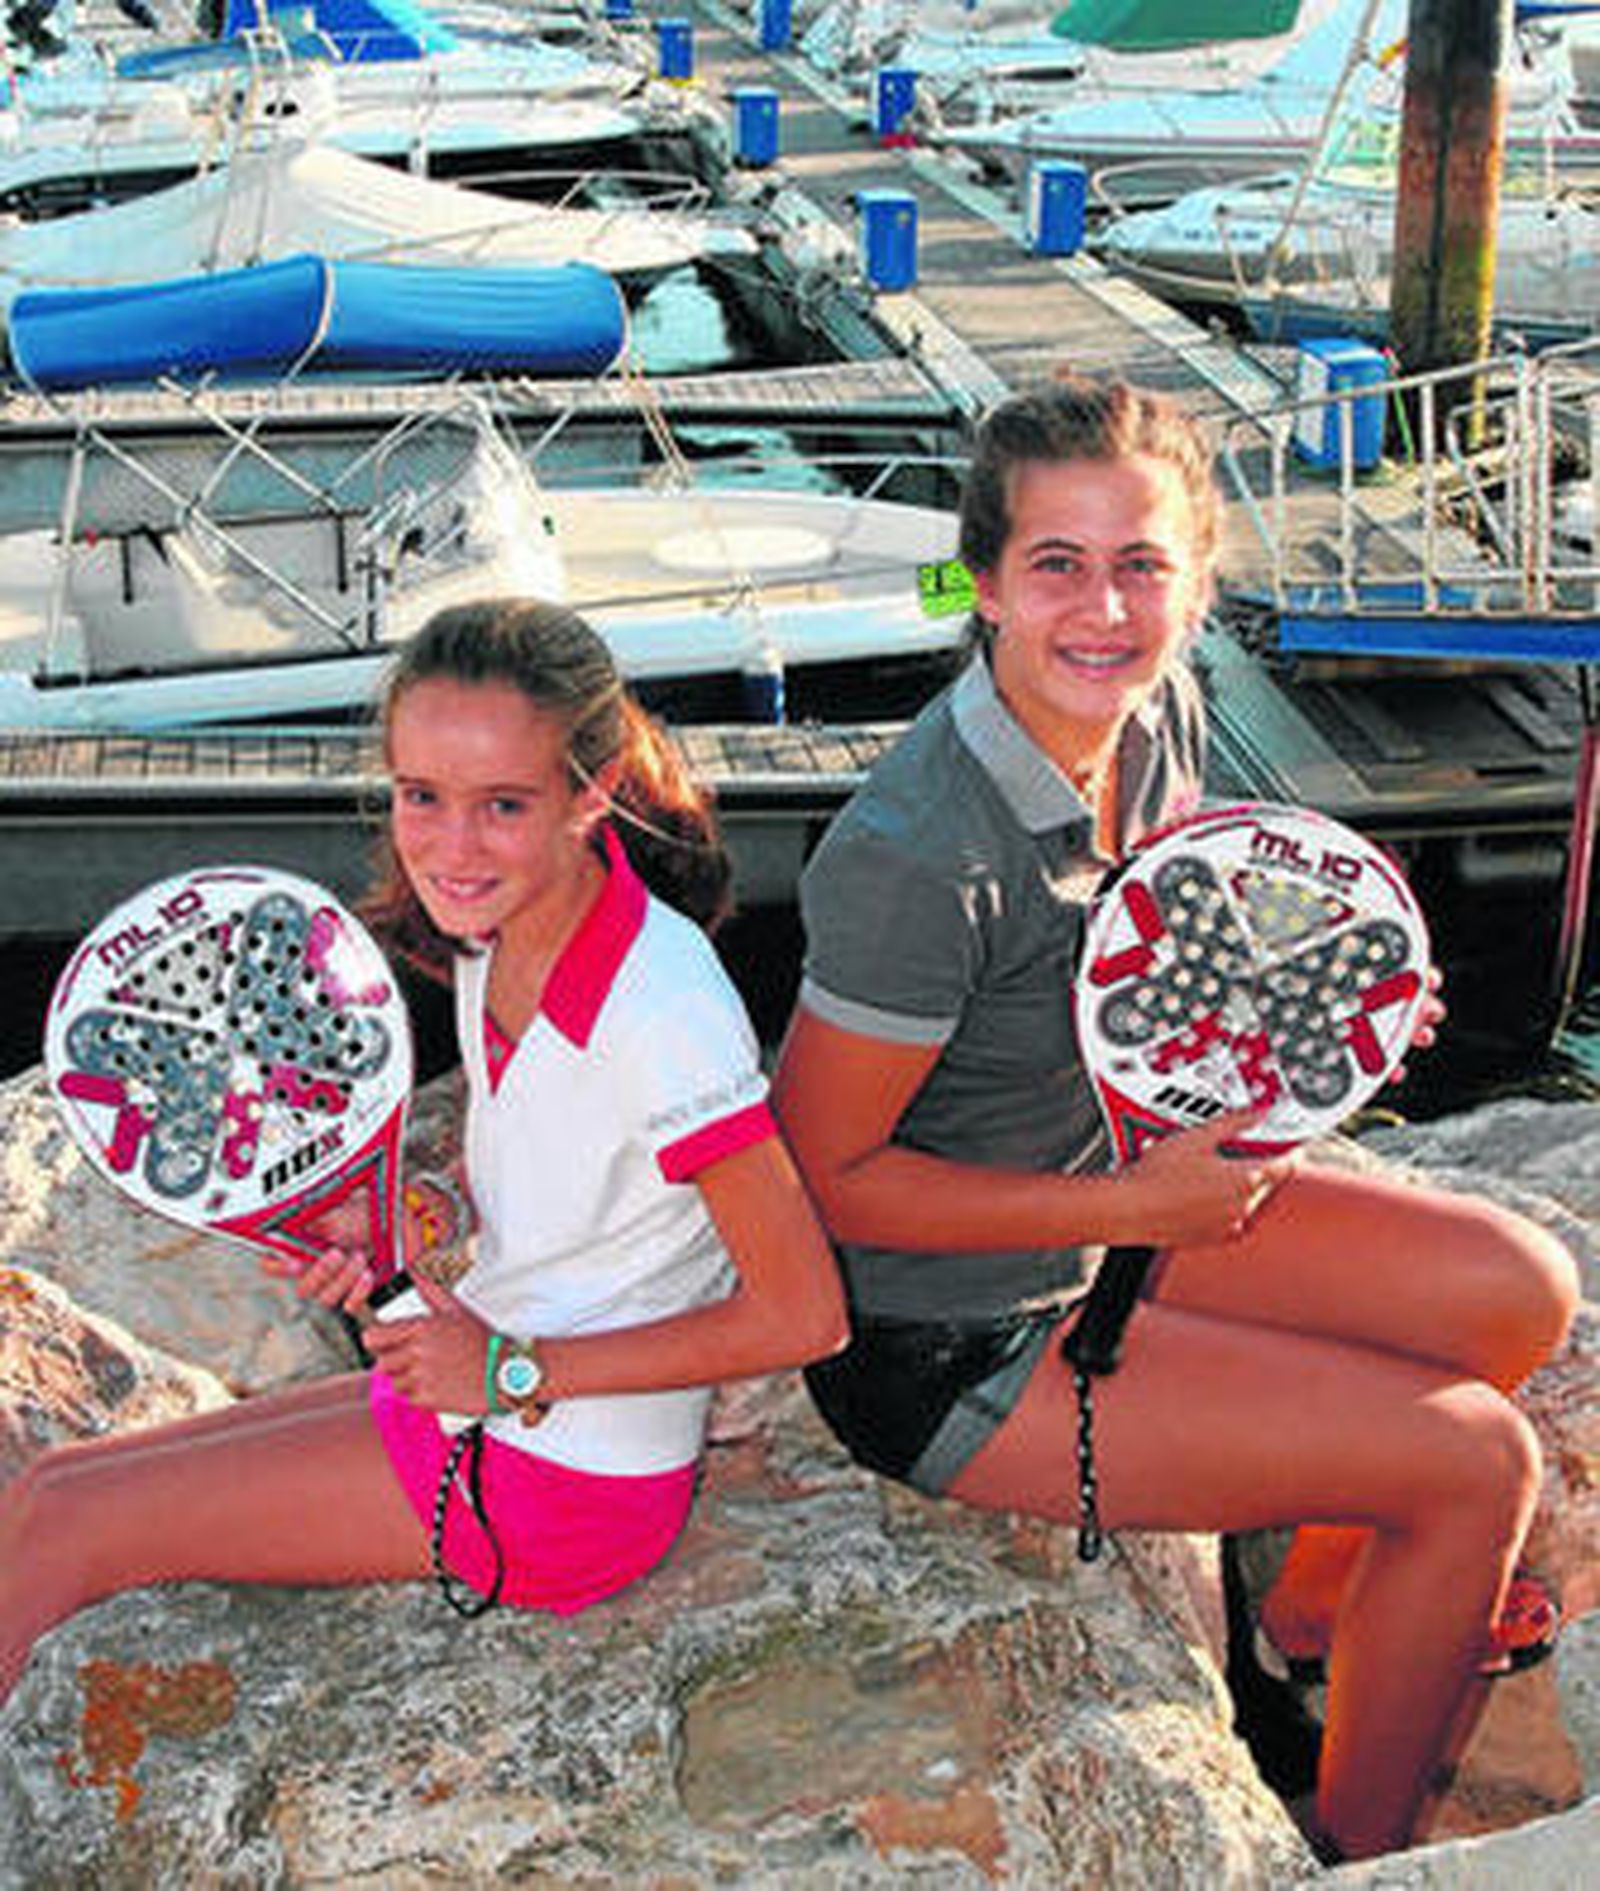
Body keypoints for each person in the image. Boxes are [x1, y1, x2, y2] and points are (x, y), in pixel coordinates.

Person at [771, 378, 1579, 1863]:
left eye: (1143, 564)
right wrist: (1135, 1214)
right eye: (1056, 564)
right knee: (1475, 1461)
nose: (1103, 607)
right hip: (946, 1336)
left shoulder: (1155, 710)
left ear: (1197, 582)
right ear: (991, 584)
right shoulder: (914, 852)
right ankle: (1354, 1838)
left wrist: (1334, 1014)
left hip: (1114, 1200)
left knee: (1521, 1293)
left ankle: (1313, 1620)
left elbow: (1185, 954)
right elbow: (826, 1184)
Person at [1, 598, 847, 1700]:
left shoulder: (660, 1012)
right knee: (49, 1484)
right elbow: (573, 1200)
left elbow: (803, 1313)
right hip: (482, 1400)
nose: (451, 845)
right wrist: (415, 1220)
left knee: (70, 1525)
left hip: (565, 1481)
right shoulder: (499, 934)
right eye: (421, 796)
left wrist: (515, 1367)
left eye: (502, 803)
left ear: (590, 794)